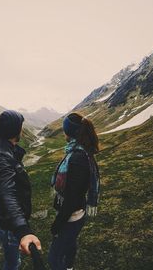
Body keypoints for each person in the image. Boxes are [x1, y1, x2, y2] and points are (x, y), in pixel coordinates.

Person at [0, 110, 41, 270]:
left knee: (12, 260)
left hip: (5, 220)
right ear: (16, 130)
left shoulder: (7, 150)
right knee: (13, 263)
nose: (22, 130)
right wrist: (23, 230)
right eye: (21, 127)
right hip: (9, 226)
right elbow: (7, 194)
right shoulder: (1, 157)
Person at [48, 112, 101, 270]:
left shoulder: (77, 158)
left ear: (69, 132)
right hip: (75, 213)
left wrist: (57, 224)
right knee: (70, 243)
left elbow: (72, 197)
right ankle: (70, 267)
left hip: (72, 215)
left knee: (54, 257)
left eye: (64, 130)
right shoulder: (79, 152)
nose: (63, 133)